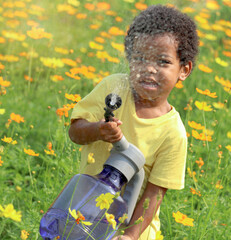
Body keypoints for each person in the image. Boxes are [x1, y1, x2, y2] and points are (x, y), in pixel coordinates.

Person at [69, 4, 199, 240]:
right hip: (84, 218)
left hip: (134, 232)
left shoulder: (173, 133)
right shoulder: (114, 88)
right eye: (140, 58)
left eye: (162, 62)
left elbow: (154, 194)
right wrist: (97, 130)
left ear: (184, 69)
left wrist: (130, 236)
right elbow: (75, 132)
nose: (149, 69)